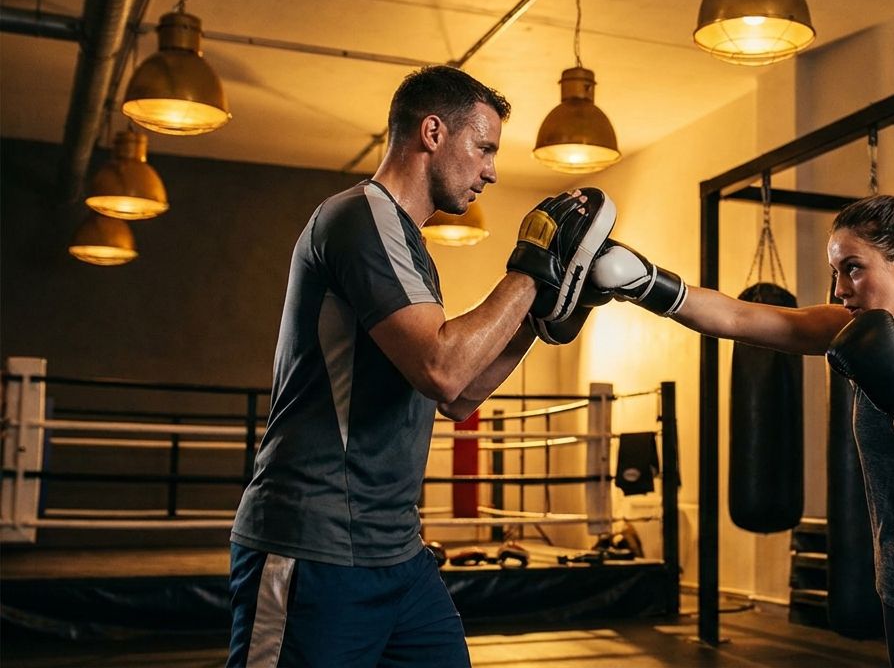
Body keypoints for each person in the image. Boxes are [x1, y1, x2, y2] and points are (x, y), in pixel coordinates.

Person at [226, 65, 615, 668]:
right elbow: (442, 367)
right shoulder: (359, 217)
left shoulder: (408, 243)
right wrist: (531, 268)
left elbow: (458, 397)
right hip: (314, 544)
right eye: (483, 147)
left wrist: (542, 318)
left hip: (396, 552)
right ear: (432, 132)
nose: (491, 169)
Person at [591, 190, 894, 668]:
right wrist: (643, 282)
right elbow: (739, 317)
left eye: (853, 268)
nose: (840, 288)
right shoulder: (848, 330)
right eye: (835, 272)